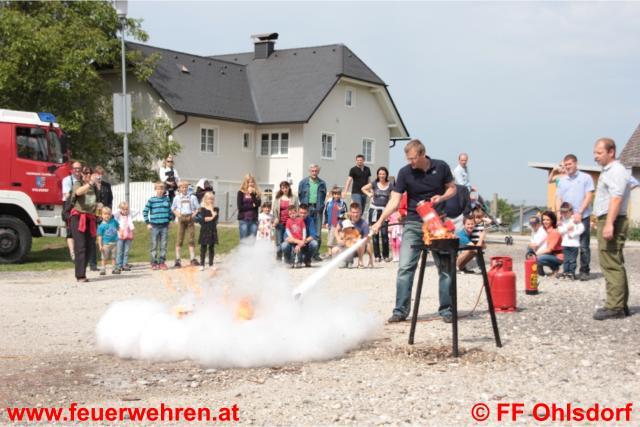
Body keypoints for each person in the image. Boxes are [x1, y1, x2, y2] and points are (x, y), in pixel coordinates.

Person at [371, 139, 457, 323]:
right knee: (404, 268)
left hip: (437, 224)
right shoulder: (405, 172)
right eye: (408, 159)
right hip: (413, 224)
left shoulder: (441, 167)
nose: (410, 162)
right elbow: (394, 201)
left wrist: (441, 197)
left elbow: (452, 189)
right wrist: (379, 221)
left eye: (413, 158)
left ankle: (447, 310)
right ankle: (400, 311)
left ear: (422, 154)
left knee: (445, 268)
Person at [592, 137, 631, 320]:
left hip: (613, 219)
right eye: (595, 153)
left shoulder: (616, 170)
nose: (595, 156)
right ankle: (620, 304)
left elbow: (616, 198)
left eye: (599, 153)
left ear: (611, 152)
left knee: (611, 263)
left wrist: (608, 223)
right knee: (614, 261)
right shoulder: (610, 170)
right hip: (609, 218)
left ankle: (615, 307)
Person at [555, 154, 595, 281]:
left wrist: (580, 212)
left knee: (583, 245)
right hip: (567, 218)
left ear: (576, 163)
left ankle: (584, 271)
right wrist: (558, 215)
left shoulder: (586, 177)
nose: (567, 166)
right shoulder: (562, 180)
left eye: (570, 164)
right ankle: (568, 270)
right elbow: (558, 198)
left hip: (583, 216)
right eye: (566, 164)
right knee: (568, 245)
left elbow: (589, 196)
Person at [70, 166, 99, 282]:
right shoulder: (78, 183)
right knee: (80, 246)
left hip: (90, 218)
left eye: (89, 173)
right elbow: (78, 192)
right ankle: (80, 275)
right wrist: (90, 183)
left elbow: (96, 201)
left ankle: (83, 272)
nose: (88, 175)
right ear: (82, 174)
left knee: (89, 246)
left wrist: (99, 206)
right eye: (85, 173)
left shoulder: (94, 187)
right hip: (78, 217)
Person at [362, 166, 393, 262]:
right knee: (375, 234)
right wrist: (369, 194)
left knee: (384, 234)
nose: (382, 175)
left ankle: (386, 255)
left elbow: (393, 197)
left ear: (386, 175)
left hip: (384, 211)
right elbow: (363, 188)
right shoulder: (374, 183)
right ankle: (377, 256)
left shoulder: (390, 185)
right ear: (378, 175)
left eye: (383, 174)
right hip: (374, 210)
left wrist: (390, 206)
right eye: (380, 174)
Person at [298, 164, 327, 260]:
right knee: (305, 231)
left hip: (318, 209)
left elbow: (323, 196)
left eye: (316, 171)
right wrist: (304, 207)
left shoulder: (322, 183)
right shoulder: (303, 182)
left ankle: (316, 254)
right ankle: (304, 253)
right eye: (312, 171)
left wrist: (320, 206)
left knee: (317, 233)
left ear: (318, 171)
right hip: (307, 209)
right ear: (309, 171)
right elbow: (300, 195)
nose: (314, 173)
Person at [143, 182, 174, 271]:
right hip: (154, 226)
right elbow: (145, 211)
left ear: (164, 190)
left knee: (163, 245)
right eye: (158, 189)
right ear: (155, 190)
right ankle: (154, 262)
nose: (160, 190)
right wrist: (147, 223)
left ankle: (162, 262)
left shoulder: (167, 200)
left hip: (165, 226)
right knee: (154, 245)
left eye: (162, 189)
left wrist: (170, 221)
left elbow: (170, 212)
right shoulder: (152, 200)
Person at [331, 203, 373, 268]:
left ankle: (360, 261)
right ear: (350, 212)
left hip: (356, 248)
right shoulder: (344, 218)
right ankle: (343, 261)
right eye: (353, 212)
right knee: (334, 250)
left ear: (360, 212)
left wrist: (370, 258)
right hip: (345, 246)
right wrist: (338, 239)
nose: (355, 215)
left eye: (357, 212)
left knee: (361, 242)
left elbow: (367, 240)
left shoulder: (364, 223)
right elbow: (336, 230)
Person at [172, 181, 200, 267]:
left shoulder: (192, 197)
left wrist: (193, 215)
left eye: (185, 187)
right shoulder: (177, 197)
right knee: (179, 238)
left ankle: (192, 258)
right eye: (182, 187)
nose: (184, 189)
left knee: (191, 238)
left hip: (190, 218)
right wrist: (178, 215)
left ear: (188, 188)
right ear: (179, 188)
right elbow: (173, 208)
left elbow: (198, 208)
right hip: (181, 218)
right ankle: (178, 259)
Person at [557, 202, 585, 280]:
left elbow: (581, 229)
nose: (564, 214)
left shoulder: (575, 219)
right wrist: (567, 228)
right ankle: (565, 272)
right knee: (566, 260)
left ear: (571, 211)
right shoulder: (562, 221)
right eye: (562, 212)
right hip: (565, 244)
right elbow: (560, 231)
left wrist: (573, 234)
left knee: (572, 260)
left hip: (574, 244)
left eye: (566, 212)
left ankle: (572, 273)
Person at [62, 161, 83, 261]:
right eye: (75, 168)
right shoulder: (67, 180)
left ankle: (80, 250)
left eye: (79, 168)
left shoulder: (83, 180)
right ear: (72, 170)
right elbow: (67, 195)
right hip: (69, 206)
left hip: (81, 206)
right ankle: (72, 252)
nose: (77, 170)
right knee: (70, 230)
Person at [272, 181, 298, 259]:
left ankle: (288, 258)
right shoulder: (277, 198)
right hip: (280, 223)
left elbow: (297, 209)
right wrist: (275, 219)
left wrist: (295, 220)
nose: (285, 189)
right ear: (280, 189)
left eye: (286, 187)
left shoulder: (294, 198)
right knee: (279, 242)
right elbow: (274, 211)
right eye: (283, 188)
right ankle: (279, 258)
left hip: (290, 224)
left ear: (289, 187)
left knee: (288, 241)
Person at [535, 211, 564, 277]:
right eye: (544, 220)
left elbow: (549, 250)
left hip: (558, 256)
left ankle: (555, 268)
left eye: (548, 220)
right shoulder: (547, 231)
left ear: (552, 220)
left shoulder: (554, 232)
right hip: (552, 254)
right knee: (531, 252)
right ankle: (541, 273)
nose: (545, 222)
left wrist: (535, 254)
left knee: (537, 258)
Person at [195, 191, 219, 270]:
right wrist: (212, 217)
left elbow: (216, 220)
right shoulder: (202, 209)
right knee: (203, 247)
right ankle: (202, 264)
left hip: (212, 229)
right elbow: (203, 219)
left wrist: (212, 210)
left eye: (212, 199)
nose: (210, 200)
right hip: (205, 229)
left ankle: (211, 264)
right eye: (209, 199)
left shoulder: (216, 209)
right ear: (205, 199)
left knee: (211, 247)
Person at [323, 186, 347, 259]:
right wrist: (326, 222)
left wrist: (342, 222)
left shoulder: (342, 203)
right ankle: (330, 254)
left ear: (340, 194)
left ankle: (339, 254)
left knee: (339, 238)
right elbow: (326, 213)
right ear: (332, 194)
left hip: (339, 224)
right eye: (335, 194)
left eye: (338, 194)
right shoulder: (329, 203)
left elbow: (345, 214)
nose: (336, 196)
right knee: (330, 239)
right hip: (331, 224)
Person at [237, 174, 261, 241]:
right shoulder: (240, 192)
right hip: (243, 220)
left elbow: (258, 204)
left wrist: (252, 194)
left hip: (254, 220)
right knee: (244, 241)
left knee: (252, 241)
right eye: (248, 182)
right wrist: (252, 206)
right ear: (245, 182)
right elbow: (240, 207)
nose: (250, 184)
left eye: (252, 182)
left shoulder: (257, 193)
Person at [96, 207, 119, 275]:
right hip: (106, 244)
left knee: (114, 257)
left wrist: (120, 232)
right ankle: (103, 269)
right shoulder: (101, 226)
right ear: (101, 215)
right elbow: (99, 236)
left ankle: (114, 269)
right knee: (104, 258)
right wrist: (100, 245)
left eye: (109, 214)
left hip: (114, 243)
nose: (107, 216)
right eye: (105, 214)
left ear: (111, 214)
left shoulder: (114, 221)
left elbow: (118, 227)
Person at [113, 201, 134, 272]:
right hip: (120, 235)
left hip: (128, 235)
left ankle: (124, 264)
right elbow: (113, 213)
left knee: (126, 251)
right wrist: (119, 209)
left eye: (126, 209)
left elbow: (137, 211)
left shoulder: (129, 216)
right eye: (123, 209)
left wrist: (128, 209)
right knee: (119, 251)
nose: (125, 211)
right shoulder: (118, 216)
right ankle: (119, 265)